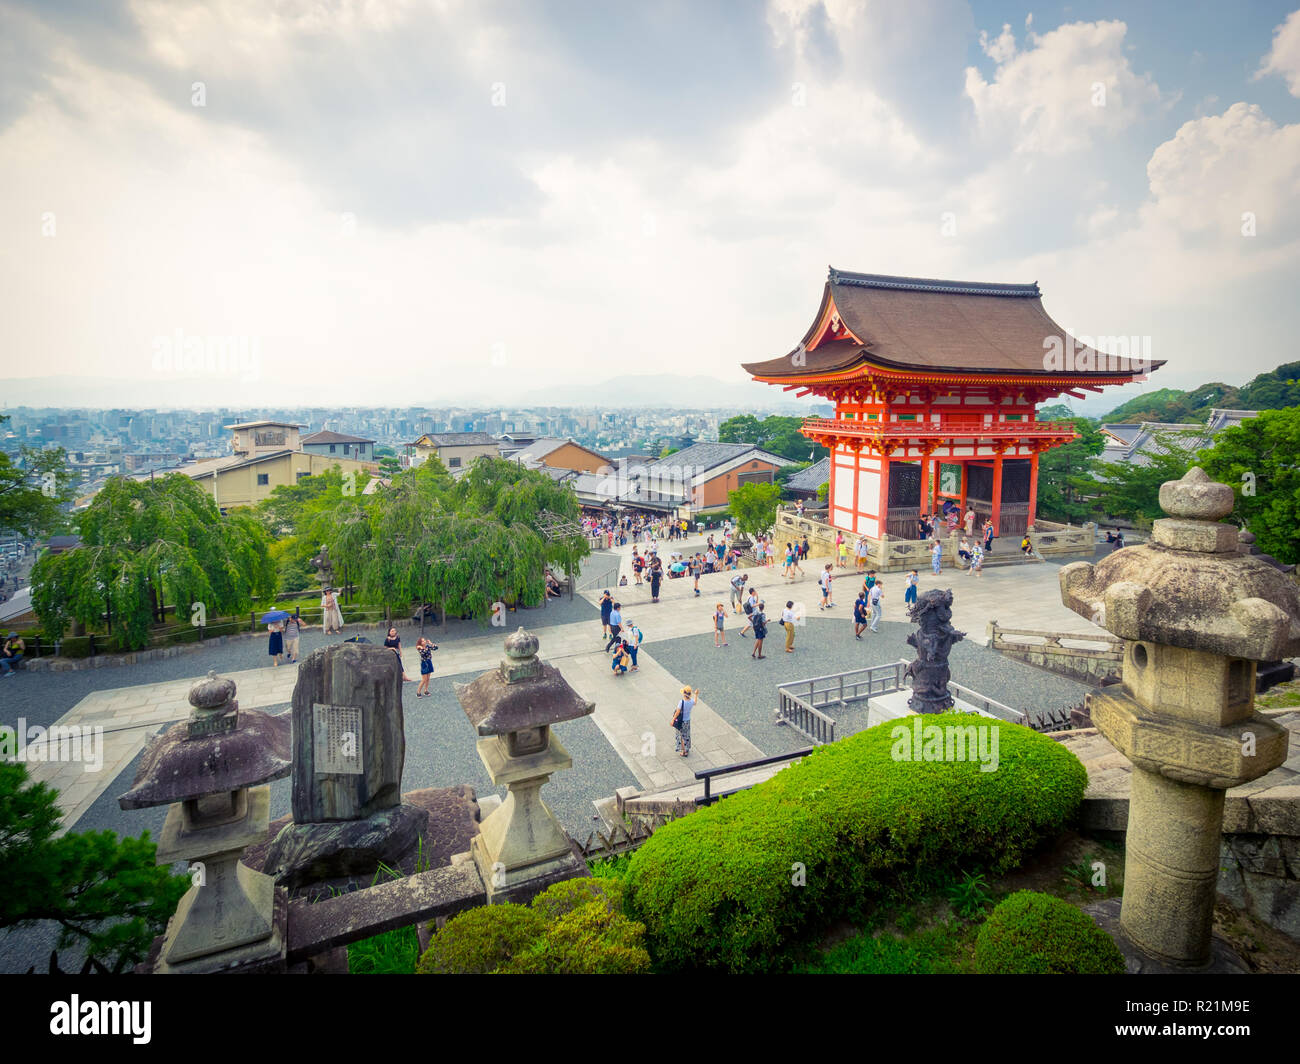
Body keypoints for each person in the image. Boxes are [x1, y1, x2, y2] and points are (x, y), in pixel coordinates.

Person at [672, 686, 697, 757]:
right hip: (687, 721)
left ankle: (684, 752)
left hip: (681, 721)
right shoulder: (691, 701)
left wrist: (673, 719)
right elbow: (695, 703)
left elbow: (677, 712)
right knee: (686, 735)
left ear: (684, 694)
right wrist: (696, 695)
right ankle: (687, 749)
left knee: (681, 736)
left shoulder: (681, 702)